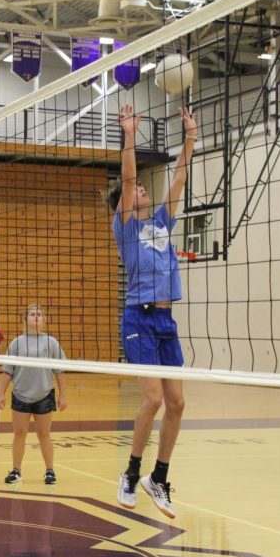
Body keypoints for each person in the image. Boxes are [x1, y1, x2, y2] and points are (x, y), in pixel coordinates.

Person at [110, 104, 196, 519]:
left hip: (165, 319)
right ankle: (131, 471)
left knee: (176, 403)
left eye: (146, 189)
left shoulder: (161, 222)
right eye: (139, 190)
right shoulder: (126, 227)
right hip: (138, 317)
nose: (144, 189)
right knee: (153, 398)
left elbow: (178, 178)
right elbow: (127, 178)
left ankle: (158, 478)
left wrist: (191, 138)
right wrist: (129, 135)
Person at [0, 305, 67, 485]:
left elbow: (59, 371)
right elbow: (7, 372)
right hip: (21, 394)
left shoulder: (51, 342)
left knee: (44, 434)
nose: (36, 317)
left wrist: (63, 395)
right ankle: (16, 470)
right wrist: (1, 394)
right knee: (19, 433)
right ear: (25, 319)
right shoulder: (17, 343)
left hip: (44, 394)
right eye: (32, 314)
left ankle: (50, 470)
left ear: (44, 320)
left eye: (39, 315)